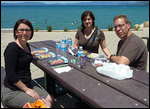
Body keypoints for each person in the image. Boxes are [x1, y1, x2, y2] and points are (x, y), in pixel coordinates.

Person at [1, 19, 53, 108]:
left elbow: (24, 55)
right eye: (21, 30)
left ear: (31, 32)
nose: (24, 33)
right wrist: (26, 90)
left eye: (27, 30)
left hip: (27, 84)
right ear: (16, 32)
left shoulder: (26, 45)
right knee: (45, 105)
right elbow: (11, 75)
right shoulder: (12, 48)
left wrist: (35, 53)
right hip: (12, 91)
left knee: (50, 98)